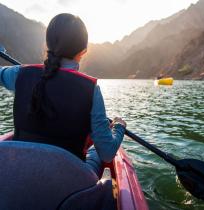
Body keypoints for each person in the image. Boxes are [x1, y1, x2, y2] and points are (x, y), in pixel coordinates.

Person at [0, 13, 126, 177]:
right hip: (67, 186)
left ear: (47, 44)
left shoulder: (20, 74)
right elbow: (108, 153)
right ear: (83, 51)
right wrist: (119, 127)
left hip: (20, 174)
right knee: (95, 151)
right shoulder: (91, 90)